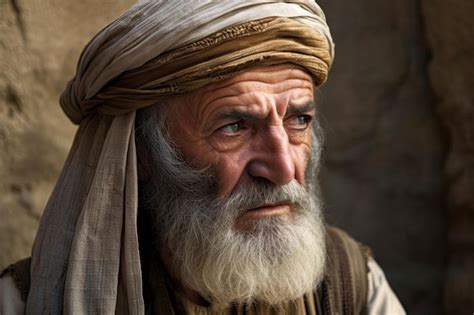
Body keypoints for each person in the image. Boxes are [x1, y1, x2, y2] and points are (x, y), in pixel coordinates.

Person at [0, 1, 405, 314]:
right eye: (234, 127)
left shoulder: (352, 284)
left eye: (298, 119)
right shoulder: (25, 303)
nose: (283, 169)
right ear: (141, 153)